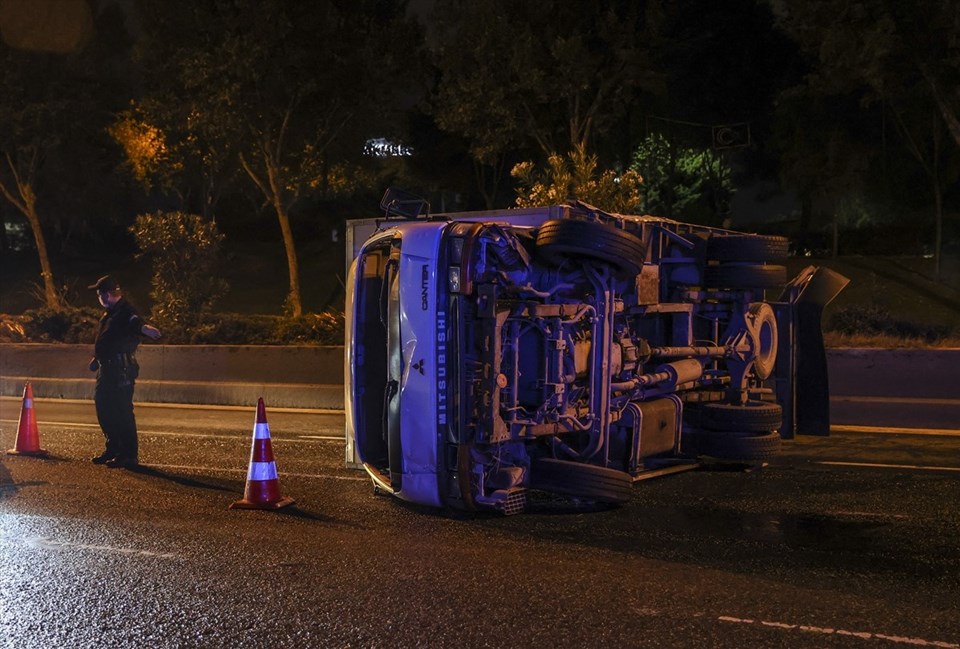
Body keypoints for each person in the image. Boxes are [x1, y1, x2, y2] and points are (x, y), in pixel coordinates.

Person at [87, 275, 161, 469]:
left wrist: (146, 329)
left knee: (122, 411)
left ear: (108, 294)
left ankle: (128, 454)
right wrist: (97, 358)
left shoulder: (126, 311)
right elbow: (108, 338)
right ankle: (113, 448)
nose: (99, 298)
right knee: (103, 407)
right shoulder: (109, 313)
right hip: (107, 368)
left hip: (121, 370)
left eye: (100, 294)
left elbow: (136, 323)